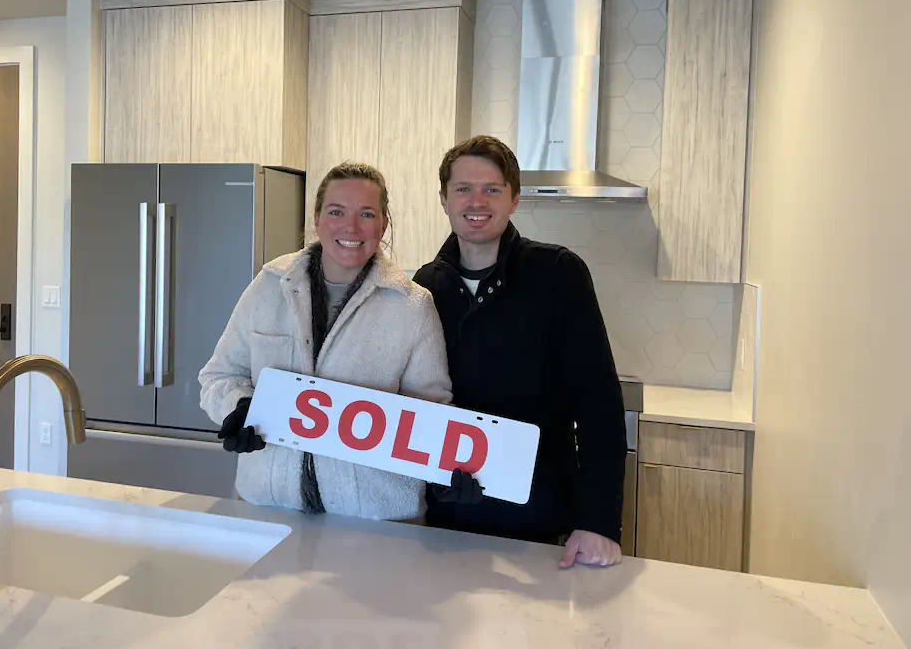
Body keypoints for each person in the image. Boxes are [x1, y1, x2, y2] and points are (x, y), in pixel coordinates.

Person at [414, 136, 628, 568]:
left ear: (514, 199)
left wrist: (599, 521)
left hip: (539, 517)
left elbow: (598, 403)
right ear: (443, 199)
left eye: (492, 188)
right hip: (450, 513)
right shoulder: (425, 285)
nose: (477, 200)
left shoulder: (557, 273)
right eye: (463, 188)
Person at [199, 162, 453, 520]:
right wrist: (239, 406)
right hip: (269, 508)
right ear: (317, 218)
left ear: (383, 224)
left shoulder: (413, 306)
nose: (350, 227)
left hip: (377, 521)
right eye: (337, 212)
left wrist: (448, 471)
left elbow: (431, 413)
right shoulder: (268, 286)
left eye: (366, 214)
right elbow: (218, 377)